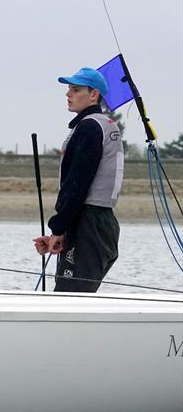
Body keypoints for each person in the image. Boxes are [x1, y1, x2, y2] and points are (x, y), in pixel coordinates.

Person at [33, 67, 123, 292]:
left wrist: (58, 227)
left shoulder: (90, 127)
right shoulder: (101, 124)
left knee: (69, 297)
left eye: (75, 89)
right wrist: (63, 232)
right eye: (68, 89)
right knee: (74, 296)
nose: (68, 94)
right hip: (95, 222)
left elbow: (77, 183)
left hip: (90, 222)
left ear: (94, 95)